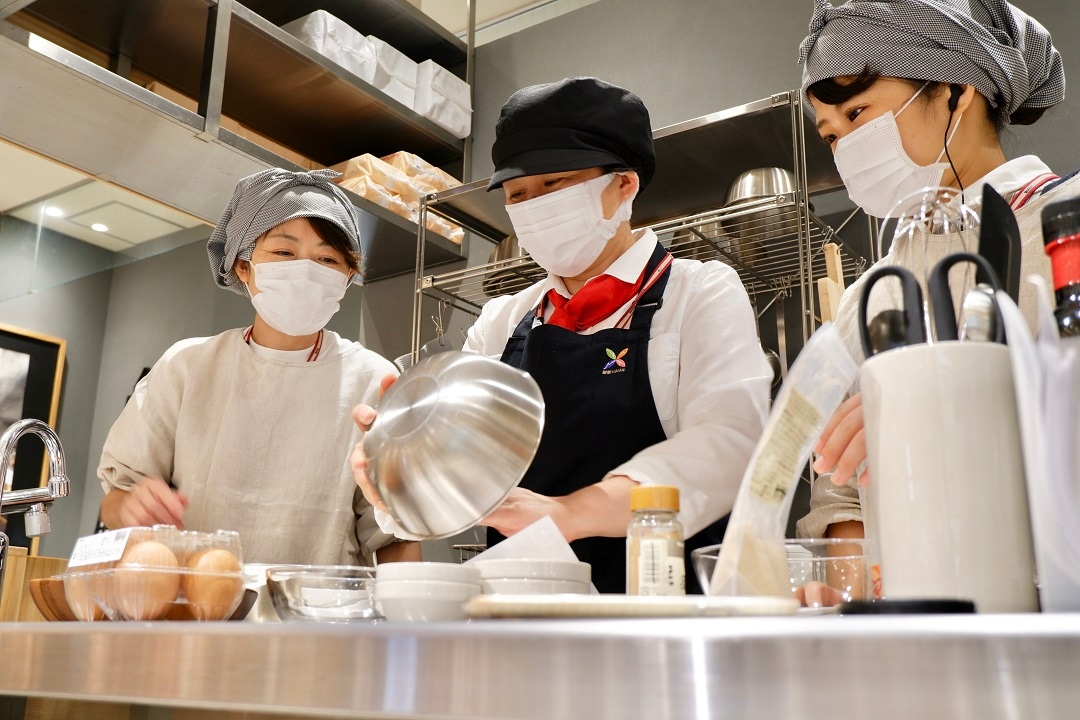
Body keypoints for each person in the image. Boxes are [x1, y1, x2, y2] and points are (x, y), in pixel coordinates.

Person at [352, 77, 772, 593]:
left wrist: (570, 513)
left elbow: (727, 444)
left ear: (624, 185)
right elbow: (463, 473)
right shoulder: (503, 321)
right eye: (517, 194)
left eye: (553, 185)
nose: (532, 205)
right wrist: (399, 461)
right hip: (524, 614)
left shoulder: (698, 291)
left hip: (665, 607)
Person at [794, 0, 1076, 541]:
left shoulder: (1064, 225)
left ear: (956, 90)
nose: (846, 148)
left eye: (856, 115)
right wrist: (846, 581)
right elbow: (840, 494)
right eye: (831, 136)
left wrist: (939, 412)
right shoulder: (866, 300)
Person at [98, 168, 418, 566]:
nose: (306, 271)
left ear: (347, 276)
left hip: (320, 616)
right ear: (242, 266)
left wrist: (407, 620)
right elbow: (115, 500)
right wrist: (130, 506)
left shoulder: (374, 380)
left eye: (327, 258)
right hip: (192, 610)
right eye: (284, 252)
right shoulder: (187, 367)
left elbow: (394, 535)